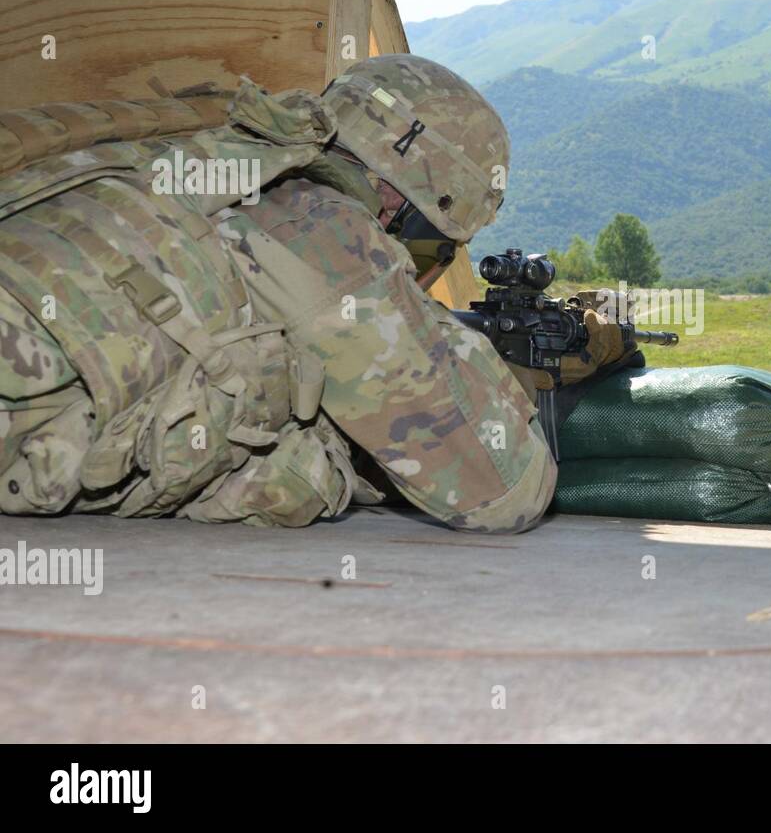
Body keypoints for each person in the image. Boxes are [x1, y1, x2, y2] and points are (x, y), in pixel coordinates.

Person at [0, 54, 617, 531]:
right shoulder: (323, 227)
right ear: (403, 201)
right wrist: (483, 368)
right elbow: (505, 494)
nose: (421, 266)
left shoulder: (196, 164)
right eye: (436, 248)